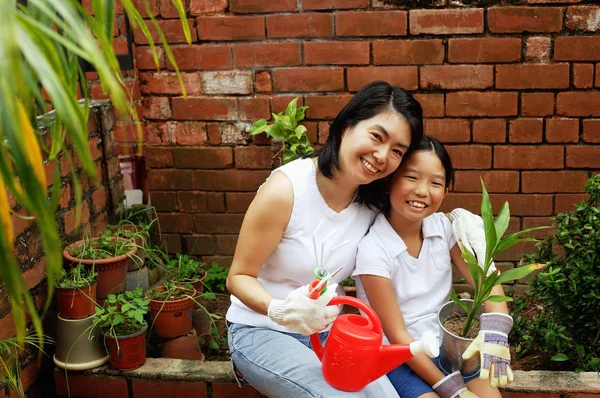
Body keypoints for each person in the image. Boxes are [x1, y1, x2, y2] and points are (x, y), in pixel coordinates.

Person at [225, 81, 424, 397]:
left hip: (327, 333)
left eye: (397, 151)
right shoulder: (286, 191)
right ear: (346, 126)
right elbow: (238, 277)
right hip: (261, 330)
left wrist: (461, 223)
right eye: (377, 137)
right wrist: (280, 310)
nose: (382, 155)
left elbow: (419, 217)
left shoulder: (371, 203)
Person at [352, 135, 511, 398]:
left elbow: (487, 282)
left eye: (435, 182)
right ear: (389, 182)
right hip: (399, 358)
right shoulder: (373, 250)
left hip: (448, 346)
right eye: (411, 177)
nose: (422, 191)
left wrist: (496, 334)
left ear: (445, 192)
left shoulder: (444, 228)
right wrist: (452, 389)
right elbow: (397, 334)